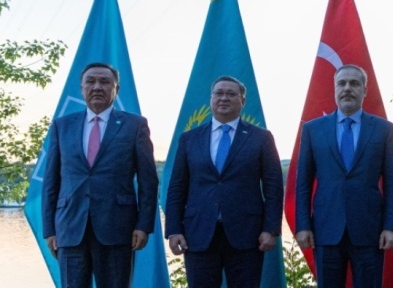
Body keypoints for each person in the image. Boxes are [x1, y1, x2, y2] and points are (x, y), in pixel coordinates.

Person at [41, 62, 158, 288]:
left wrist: (143, 225)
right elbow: (50, 182)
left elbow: (148, 181)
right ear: (82, 88)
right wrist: (50, 230)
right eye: (91, 81)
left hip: (118, 229)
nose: (97, 87)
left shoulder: (135, 125)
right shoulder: (61, 126)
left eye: (105, 82)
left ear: (116, 89)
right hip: (70, 229)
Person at [165, 75, 283, 288]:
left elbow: (273, 187)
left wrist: (271, 229)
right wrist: (174, 230)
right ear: (211, 99)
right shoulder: (189, 139)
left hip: (247, 234)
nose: (224, 98)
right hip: (198, 233)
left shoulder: (261, 138)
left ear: (242, 101)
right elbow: (177, 187)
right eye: (218, 93)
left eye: (231, 94)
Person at [294, 64, 393, 288]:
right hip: (326, 229)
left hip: (369, 229)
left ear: (365, 90)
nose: (347, 89)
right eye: (341, 83)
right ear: (334, 89)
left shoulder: (384, 130)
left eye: (354, 83)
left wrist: (391, 226)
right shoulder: (313, 130)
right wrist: (303, 225)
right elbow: (303, 182)